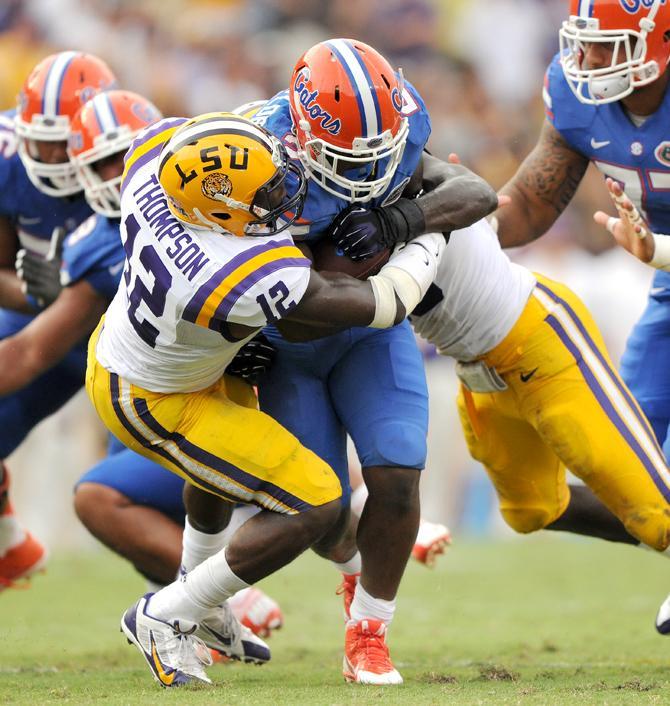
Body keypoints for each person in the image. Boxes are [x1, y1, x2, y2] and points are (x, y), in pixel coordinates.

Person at [85, 110, 445, 687]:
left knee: (218, 484)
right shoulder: (241, 269)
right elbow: (386, 303)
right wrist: (427, 235)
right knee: (316, 502)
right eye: (268, 190)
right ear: (222, 213)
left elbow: (192, 140)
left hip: (158, 351)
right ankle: (168, 612)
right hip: (156, 396)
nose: (286, 191)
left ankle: (201, 609)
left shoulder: (157, 165)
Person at [373, 0, 670, 633]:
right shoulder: (578, 96)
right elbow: (531, 204)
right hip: (666, 290)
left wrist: (661, 249)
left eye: (609, 44)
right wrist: (463, 219)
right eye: (585, 43)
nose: (589, 60)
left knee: (652, 487)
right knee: (636, 475)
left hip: (656, 268)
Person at [250, 38, 499, 685]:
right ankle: (336, 566)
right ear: (302, 133)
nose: (366, 171)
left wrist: (398, 221)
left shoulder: (404, 122)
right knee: (319, 508)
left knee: (398, 473)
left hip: (370, 331)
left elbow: (474, 194)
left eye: (378, 152)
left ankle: (370, 631)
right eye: (345, 156)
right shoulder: (254, 156)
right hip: (284, 344)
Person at [3, 87, 284, 647]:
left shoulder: (215, 199)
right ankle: (205, 607)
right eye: (99, 162)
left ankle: (357, 554)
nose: (115, 173)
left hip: (238, 387)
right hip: (151, 394)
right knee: (109, 497)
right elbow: (33, 346)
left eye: (123, 154)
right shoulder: (97, 240)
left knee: (312, 485)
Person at [327, 188, 670, 643]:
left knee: (653, 507)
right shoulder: (335, 214)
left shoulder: (421, 184)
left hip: (539, 342)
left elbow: (470, 191)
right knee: (533, 509)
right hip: (476, 368)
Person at [0, 51, 116, 589]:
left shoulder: (130, 160)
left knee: (138, 484)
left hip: (119, 339)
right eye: (37, 138)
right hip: (32, 326)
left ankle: (196, 596)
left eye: (58, 141)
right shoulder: (8, 159)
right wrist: (32, 294)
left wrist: (67, 290)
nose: (46, 154)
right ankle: (9, 542)